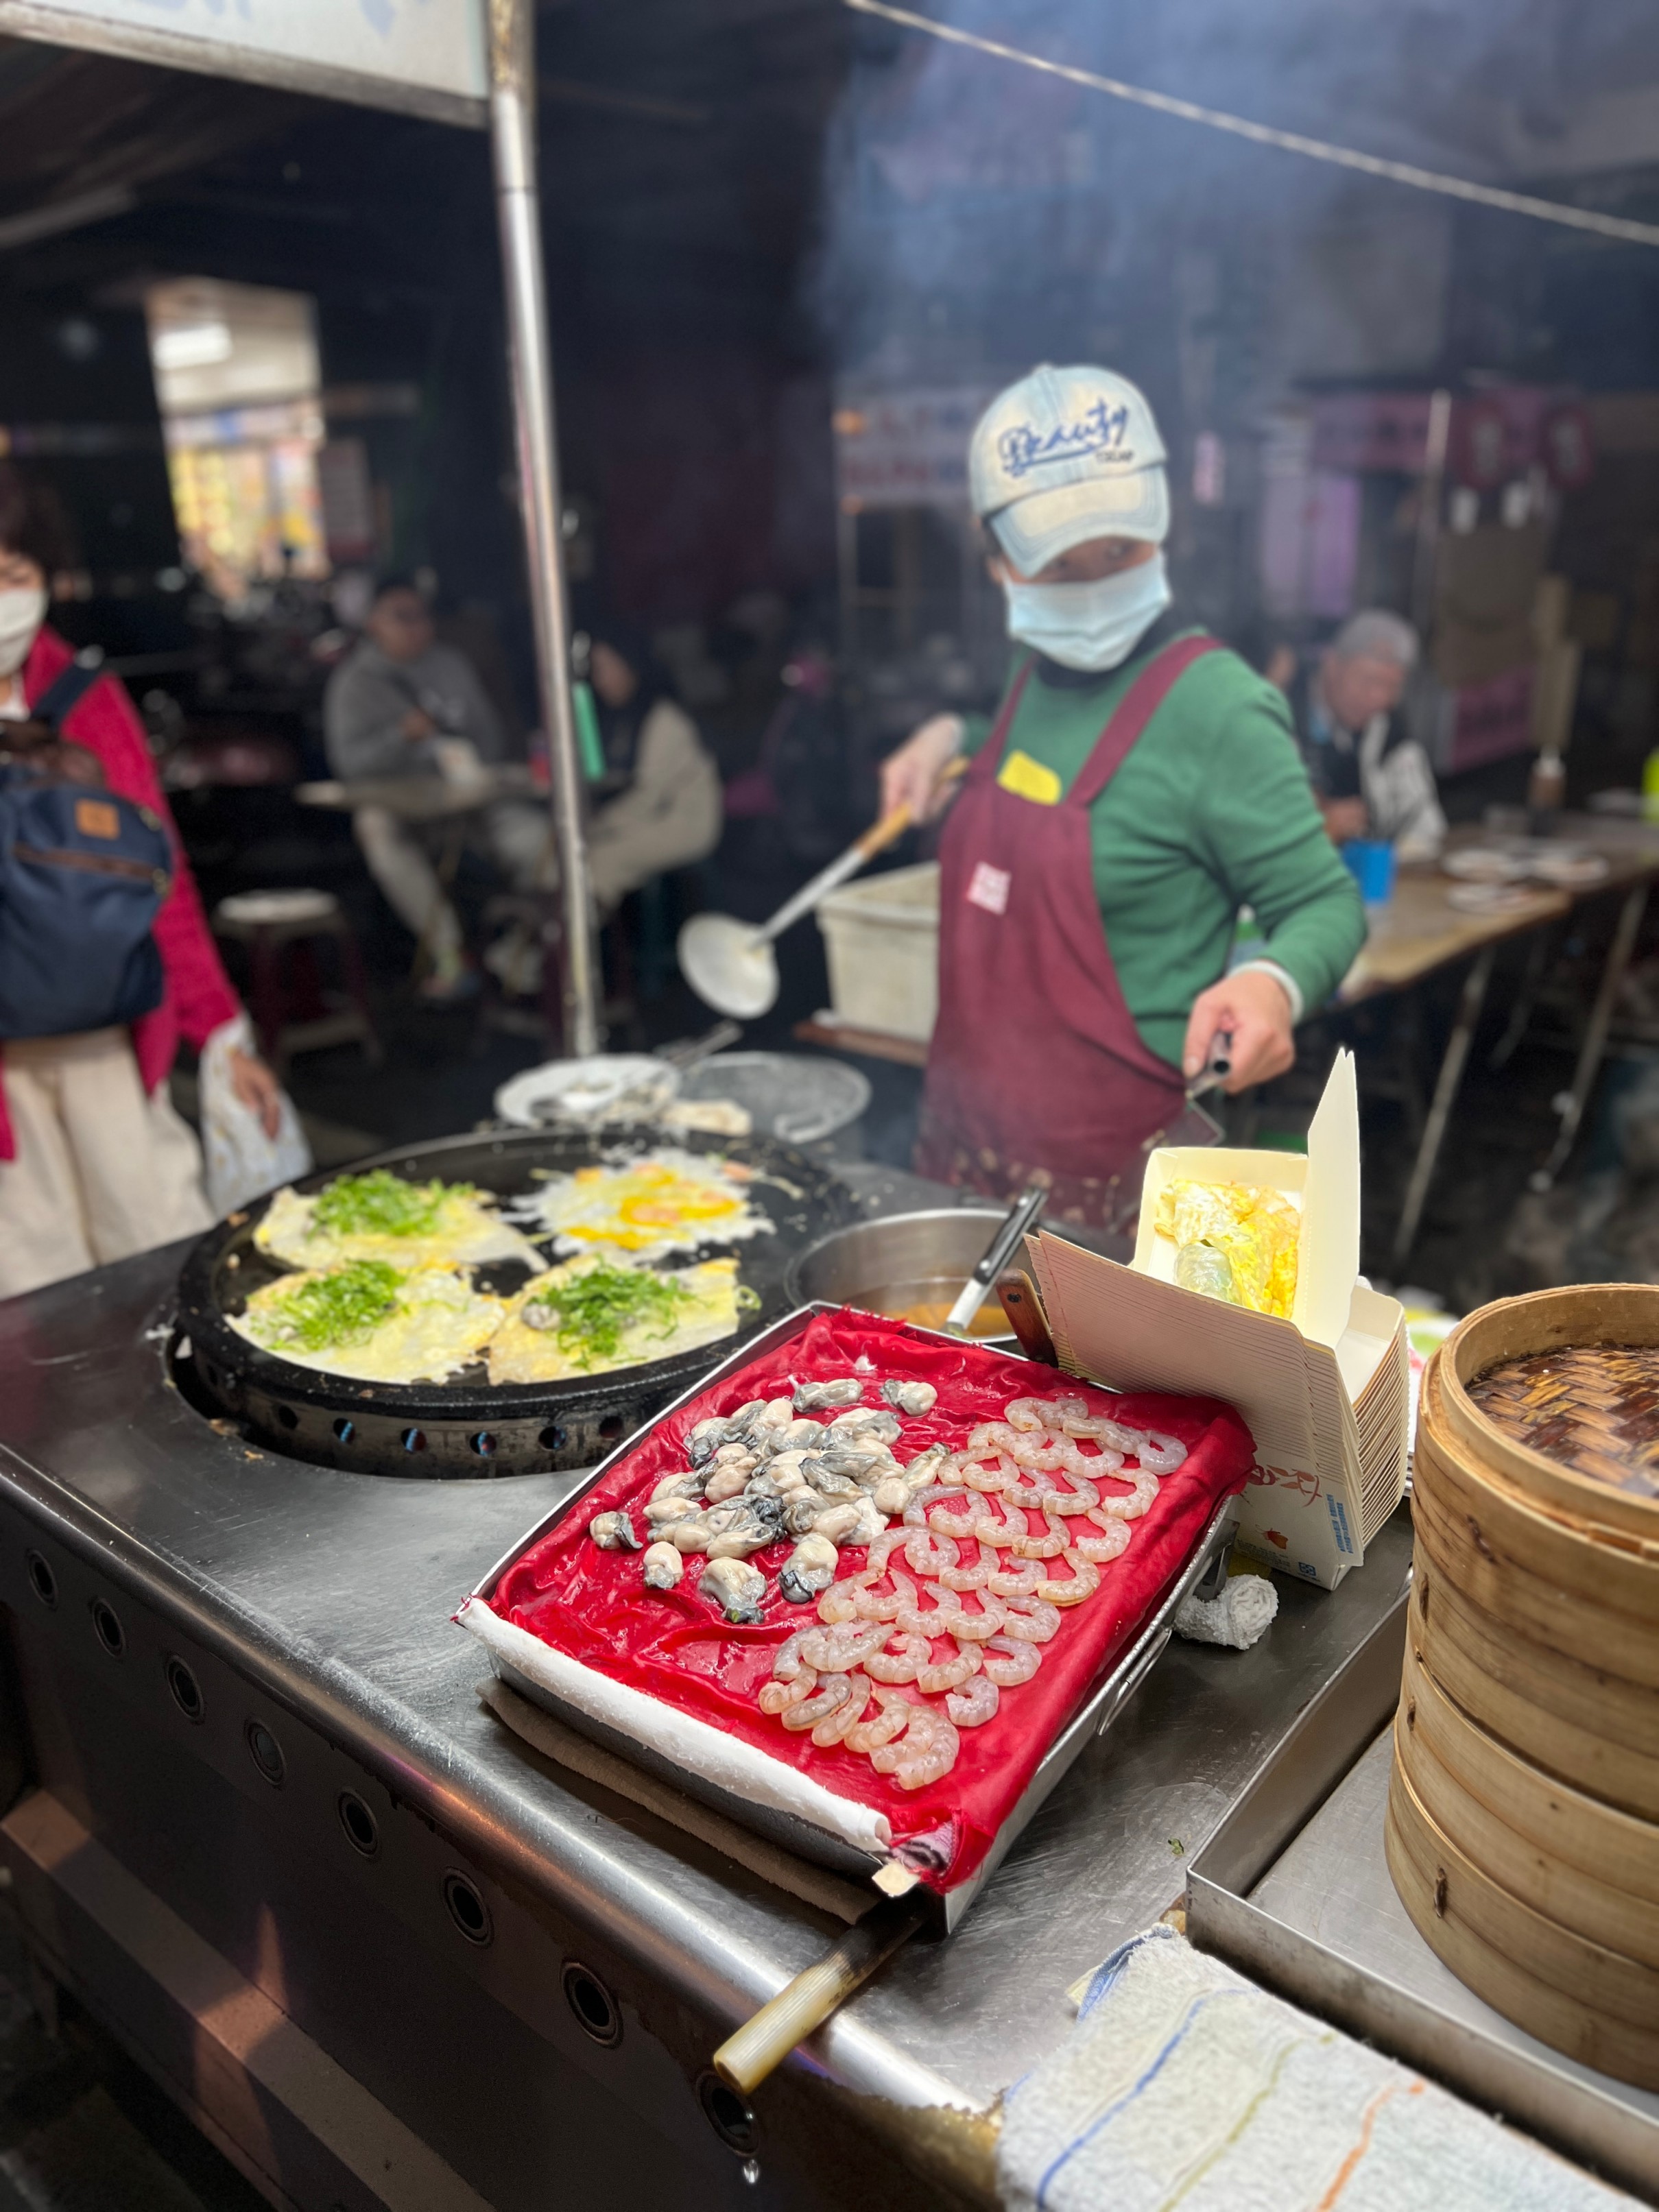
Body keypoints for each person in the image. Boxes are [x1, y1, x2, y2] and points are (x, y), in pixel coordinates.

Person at [880, 365, 1366, 1229]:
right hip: (957, 1141)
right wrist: (948, 736)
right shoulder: (1034, 669)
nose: (1092, 585)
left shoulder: (1219, 709)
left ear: (1161, 526)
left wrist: (1271, 983)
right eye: (1057, 565)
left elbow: (1324, 902)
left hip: (1109, 1184)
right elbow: (1035, 751)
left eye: (1118, 550)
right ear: (997, 563)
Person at [0, 464, 281, 1299]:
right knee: (25, 1283)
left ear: (47, 576)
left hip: (110, 1041)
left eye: (12, 572)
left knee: (154, 1249)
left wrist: (220, 1031)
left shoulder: (85, 697)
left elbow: (161, 877)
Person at [324, 577, 551, 999]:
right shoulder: (355, 682)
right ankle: (450, 952)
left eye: (422, 616)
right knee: (375, 829)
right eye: (402, 617)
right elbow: (348, 766)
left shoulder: (451, 665)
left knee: (542, 840)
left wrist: (461, 755)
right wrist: (400, 737)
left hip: (469, 803)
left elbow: (491, 738)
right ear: (374, 623)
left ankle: (519, 954)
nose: (416, 627)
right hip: (404, 810)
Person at [578, 623, 721, 911]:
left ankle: (585, 933)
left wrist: (599, 824)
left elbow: (649, 796)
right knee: (575, 853)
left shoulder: (664, 718)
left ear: (631, 665)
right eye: (596, 670)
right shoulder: (623, 717)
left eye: (605, 668)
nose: (599, 680)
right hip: (654, 814)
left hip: (684, 822)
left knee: (599, 859)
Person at [1291, 610, 1446, 860]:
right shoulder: (1280, 717)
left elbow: (1426, 828)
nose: (1377, 698)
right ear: (1332, 664)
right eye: (1367, 681)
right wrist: (1318, 829)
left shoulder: (1389, 731)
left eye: (1392, 686)